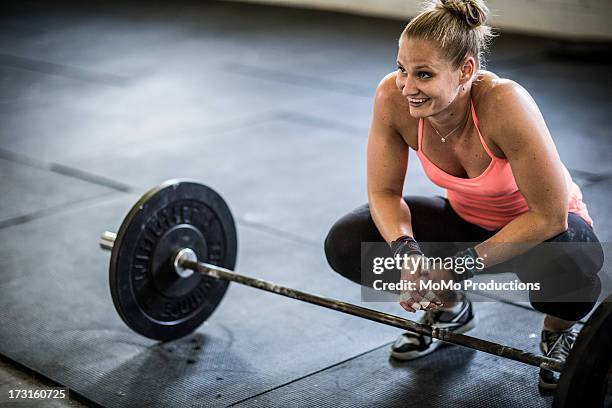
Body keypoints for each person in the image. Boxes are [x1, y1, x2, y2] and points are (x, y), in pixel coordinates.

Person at [323, 0, 604, 391]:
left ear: (466, 70)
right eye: (402, 68)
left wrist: (456, 265)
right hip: (467, 221)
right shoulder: (392, 96)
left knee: (573, 255)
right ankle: (450, 309)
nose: (407, 86)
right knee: (348, 240)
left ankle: (558, 332)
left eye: (423, 74)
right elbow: (384, 191)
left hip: (539, 236)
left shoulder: (505, 103)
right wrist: (409, 255)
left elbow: (549, 216)